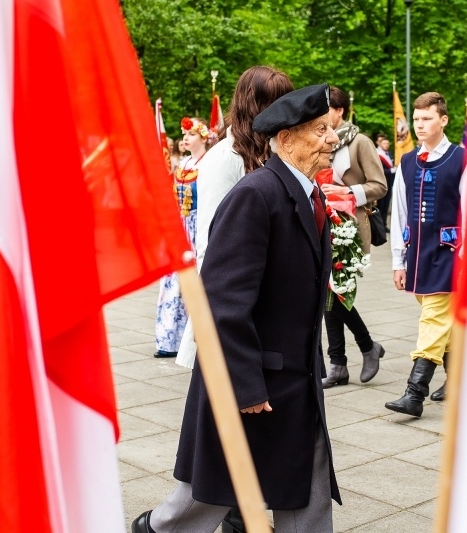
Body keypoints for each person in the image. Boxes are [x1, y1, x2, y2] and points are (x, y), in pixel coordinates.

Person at [132, 83, 341, 533]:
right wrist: (245, 386)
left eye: (334, 129)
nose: (332, 139)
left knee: (305, 484)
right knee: (205, 497)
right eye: (321, 130)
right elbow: (222, 302)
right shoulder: (256, 195)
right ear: (285, 138)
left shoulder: (311, 193)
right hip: (254, 379)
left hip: (294, 379)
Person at [173, 65, 294, 533]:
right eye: (274, 100)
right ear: (253, 105)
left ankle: (237, 516)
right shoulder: (225, 158)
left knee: (245, 422)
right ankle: (176, 521)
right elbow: (215, 244)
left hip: (265, 307)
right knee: (224, 421)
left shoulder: (271, 149)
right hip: (232, 306)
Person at [385, 92, 467, 417]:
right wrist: (396, 261)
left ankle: (413, 393)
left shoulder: (462, 160)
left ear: (443, 120)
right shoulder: (407, 161)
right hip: (417, 256)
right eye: (416, 119)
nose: (419, 125)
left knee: (432, 320)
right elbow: (400, 213)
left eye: (427, 118)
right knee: (442, 324)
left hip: (449, 255)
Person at [319, 86, 387, 388]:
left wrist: (347, 191)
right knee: (328, 292)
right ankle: (341, 363)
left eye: (327, 110)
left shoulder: (359, 142)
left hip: (350, 227)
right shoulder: (320, 141)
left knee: (336, 293)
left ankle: (360, 349)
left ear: (340, 111)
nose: (323, 117)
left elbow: (379, 185)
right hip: (323, 222)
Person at [153, 117, 212, 357]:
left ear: (203, 137)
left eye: (191, 135)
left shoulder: (208, 163)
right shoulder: (185, 162)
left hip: (199, 226)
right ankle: (168, 339)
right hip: (181, 226)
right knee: (171, 282)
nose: (186, 138)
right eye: (184, 135)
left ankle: (197, 339)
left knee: (199, 280)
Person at [375, 135, 396, 230]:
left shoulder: (389, 154)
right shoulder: (377, 154)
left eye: (387, 143)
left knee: (386, 205)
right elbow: (378, 170)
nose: (386, 145)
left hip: (389, 182)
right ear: (380, 144)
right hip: (381, 182)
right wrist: (391, 171)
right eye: (384, 143)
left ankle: (384, 224)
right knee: (380, 205)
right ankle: (378, 227)